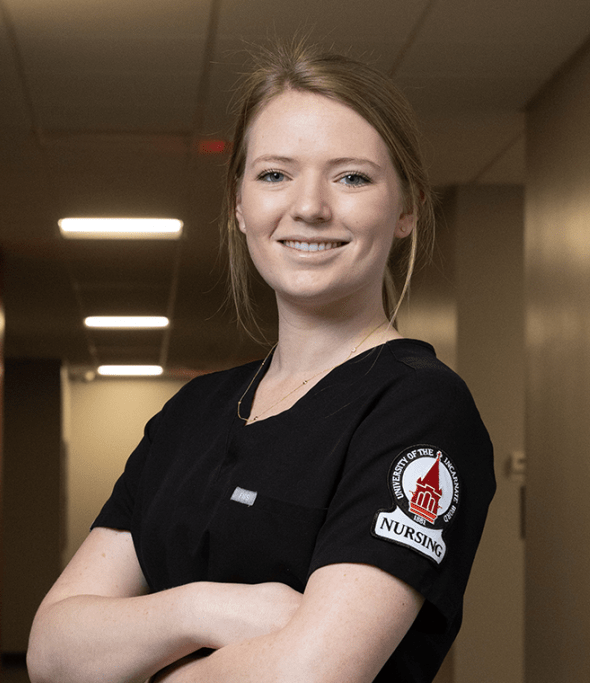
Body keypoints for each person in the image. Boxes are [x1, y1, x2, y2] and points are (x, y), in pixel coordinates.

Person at [27, 42, 495, 683]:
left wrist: (134, 656)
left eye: (352, 176)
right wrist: (207, 608)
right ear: (239, 206)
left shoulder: (417, 408)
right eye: (275, 174)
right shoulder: (192, 412)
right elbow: (52, 650)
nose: (310, 206)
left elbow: (314, 674)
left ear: (407, 207)